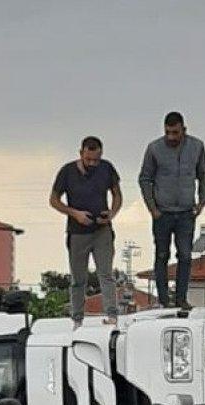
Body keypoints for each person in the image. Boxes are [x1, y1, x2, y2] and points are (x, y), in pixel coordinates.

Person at [138, 111, 205, 310]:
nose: (171, 137)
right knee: (162, 255)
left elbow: (204, 174)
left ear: (183, 130)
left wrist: (202, 201)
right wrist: (152, 208)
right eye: (168, 132)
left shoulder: (197, 147)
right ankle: (163, 299)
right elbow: (145, 178)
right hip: (162, 212)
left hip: (187, 212)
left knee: (185, 255)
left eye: (175, 133)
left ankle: (181, 298)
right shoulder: (154, 149)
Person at [50, 136, 123, 327]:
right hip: (77, 232)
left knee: (106, 274)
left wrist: (112, 214)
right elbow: (54, 200)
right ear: (81, 153)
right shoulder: (67, 172)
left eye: (96, 160)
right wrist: (74, 214)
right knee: (78, 279)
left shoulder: (107, 168)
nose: (92, 163)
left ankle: (112, 315)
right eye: (88, 159)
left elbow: (117, 194)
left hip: (102, 230)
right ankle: (77, 318)